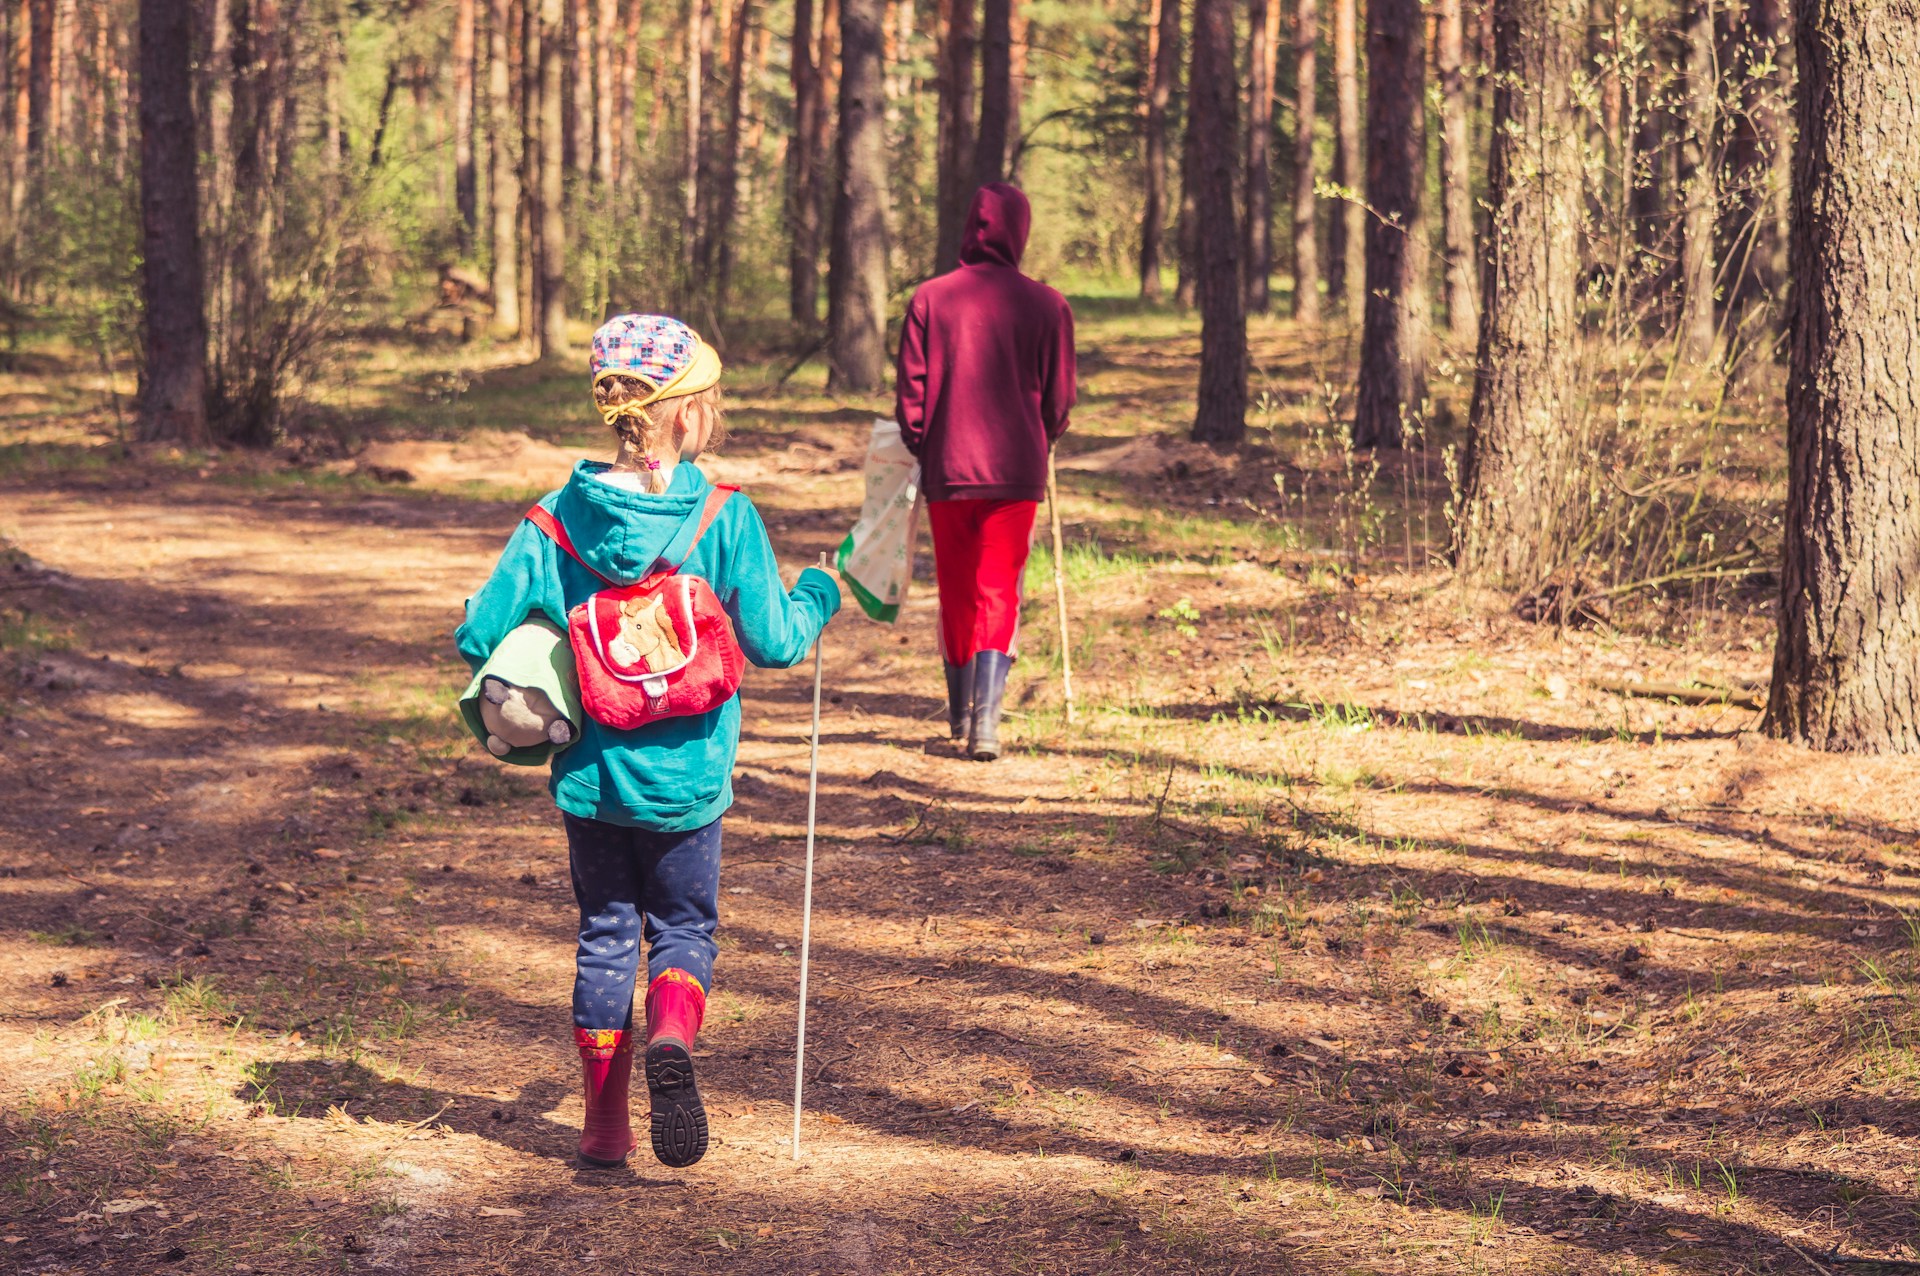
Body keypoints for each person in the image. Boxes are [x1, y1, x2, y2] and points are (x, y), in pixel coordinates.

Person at [455, 315, 841, 1169]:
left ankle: (603, 1128)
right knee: (682, 931)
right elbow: (777, 641)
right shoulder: (724, 517)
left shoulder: (553, 522)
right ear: (689, 415)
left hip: (592, 779)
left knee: (604, 933)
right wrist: (819, 592)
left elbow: (479, 634)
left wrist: (548, 646)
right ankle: (672, 1035)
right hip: (690, 780)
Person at [895, 182, 1077, 761]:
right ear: (1019, 231)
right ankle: (985, 725)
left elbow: (911, 395)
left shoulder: (930, 299)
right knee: (998, 589)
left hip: (948, 467)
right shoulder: (1049, 305)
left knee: (955, 589)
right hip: (1017, 470)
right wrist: (1042, 435)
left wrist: (926, 444)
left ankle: (959, 712)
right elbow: (1060, 400)